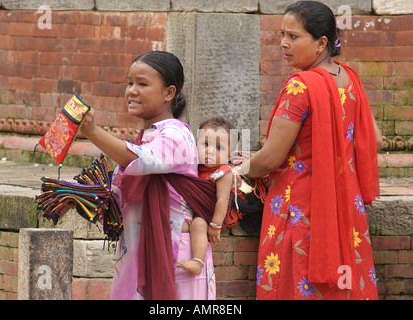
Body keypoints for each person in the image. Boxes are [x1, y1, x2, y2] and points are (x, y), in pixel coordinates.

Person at [238, 1, 383, 300]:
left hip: (299, 207)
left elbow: (271, 158)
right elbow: (375, 140)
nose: (283, 43)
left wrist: (240, 169)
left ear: (321, 43)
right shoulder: (349, 79)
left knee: (293, 283)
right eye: (282, 35)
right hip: (343, 202)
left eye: (293, 36)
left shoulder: (300, 86)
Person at [80, 51, 216, 300]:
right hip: (142, 253)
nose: (132, 91)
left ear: (169, 93)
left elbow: (141, 160)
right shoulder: (147, 136)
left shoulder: (176, 134)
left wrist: (92, 131)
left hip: (177, 257)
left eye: (142, 84)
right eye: (129, 83)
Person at [177, 116, 236, 275]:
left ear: (229, 155)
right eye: (205, 144)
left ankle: (197, 262)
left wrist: (215, 226)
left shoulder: (223, 172)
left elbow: (222, 199)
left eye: (219, 148)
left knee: (199, 225)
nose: (210, 150)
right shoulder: (192, 166)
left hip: (209, 216)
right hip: (188, 209)